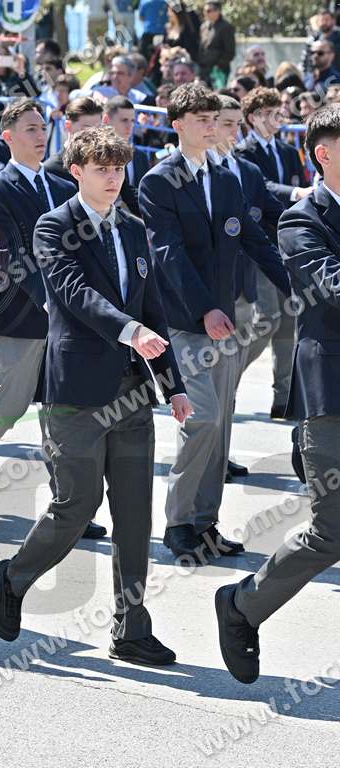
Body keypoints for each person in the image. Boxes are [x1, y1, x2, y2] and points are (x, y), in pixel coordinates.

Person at [0, 125, 192, 664]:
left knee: (135, 514)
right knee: (76, 505)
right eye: (102, 169)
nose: (113, 178)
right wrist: (130, 331)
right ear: (76, 171)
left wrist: (172, 385)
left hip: (132, 392)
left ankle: (131, 626)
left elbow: (153, 308)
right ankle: (14, 576)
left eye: (119, 168)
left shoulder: (134, 229)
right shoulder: (54, 227)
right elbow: (73, 293)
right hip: (76, 392)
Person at [139, 84, 290, 565]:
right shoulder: (158, 181)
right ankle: (179, 524)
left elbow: (255, 239)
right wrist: (205, 307)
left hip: (224, 321)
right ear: (177, 125)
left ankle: (205, 524)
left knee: (220, 426)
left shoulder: (226, 178)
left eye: (213, 118)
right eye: (200, 119)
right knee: (201, 418)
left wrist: (295, 288)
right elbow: (168, 253)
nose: (210, 127)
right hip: (185, 321)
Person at [215, 103, 340, 684]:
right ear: (324, 153)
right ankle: (242, 605)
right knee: (332, 532)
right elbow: (331, 288)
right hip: (332, 400)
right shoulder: (301, 220)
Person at [0, 98, 103, 529]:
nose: (40, 135)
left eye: (43, 127)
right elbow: (4, 255)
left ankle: (69, 505)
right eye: (31, 129)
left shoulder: (65, 186)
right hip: (22, 315)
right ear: (8, 137)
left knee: (61, 413)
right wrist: (51, 298)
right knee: (8, 407)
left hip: (68, 317)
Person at [212, 94, 284, 476]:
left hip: (243, 291)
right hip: (207, 299)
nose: (233, 132)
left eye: (236, 124)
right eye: (225, 123)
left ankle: (219, 457)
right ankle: (207, 461)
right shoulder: (192, 174)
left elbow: (273, 215)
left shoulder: (247, 172)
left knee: (229, 385)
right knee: (211, 387)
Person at [237, 87, 312, 419]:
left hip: (288, 245)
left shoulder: (288, 151)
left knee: (289, 320)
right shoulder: (243, 151)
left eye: (278, 112)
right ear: (252, 118)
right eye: (268, 113)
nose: (276, 118)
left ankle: (283, 398)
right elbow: (262, 187)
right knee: (267, 319)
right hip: (261, 245)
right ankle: (228, 374)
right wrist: (296, 192)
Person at [102, 96, 151, 214]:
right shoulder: (94, 156)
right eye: (124, 120)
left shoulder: (140, 157)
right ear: (106, 120)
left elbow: (143, 194)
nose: (129, 126)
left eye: (132, 121)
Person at [0, 43, 39, 107]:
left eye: (5, 55)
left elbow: (34, 94)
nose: (2, 58)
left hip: (15, 111)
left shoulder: (16, 76)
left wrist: (22, 74)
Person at [198, 2, 236, 87]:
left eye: (208, 11)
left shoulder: (226, 27)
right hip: (204, 70)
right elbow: (202, 48)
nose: (205, 13)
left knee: (218, 93)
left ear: (217, 11)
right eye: (204, 11)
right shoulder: (204, 27)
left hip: (219, 71)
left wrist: (218, 66)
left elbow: (230, 52)